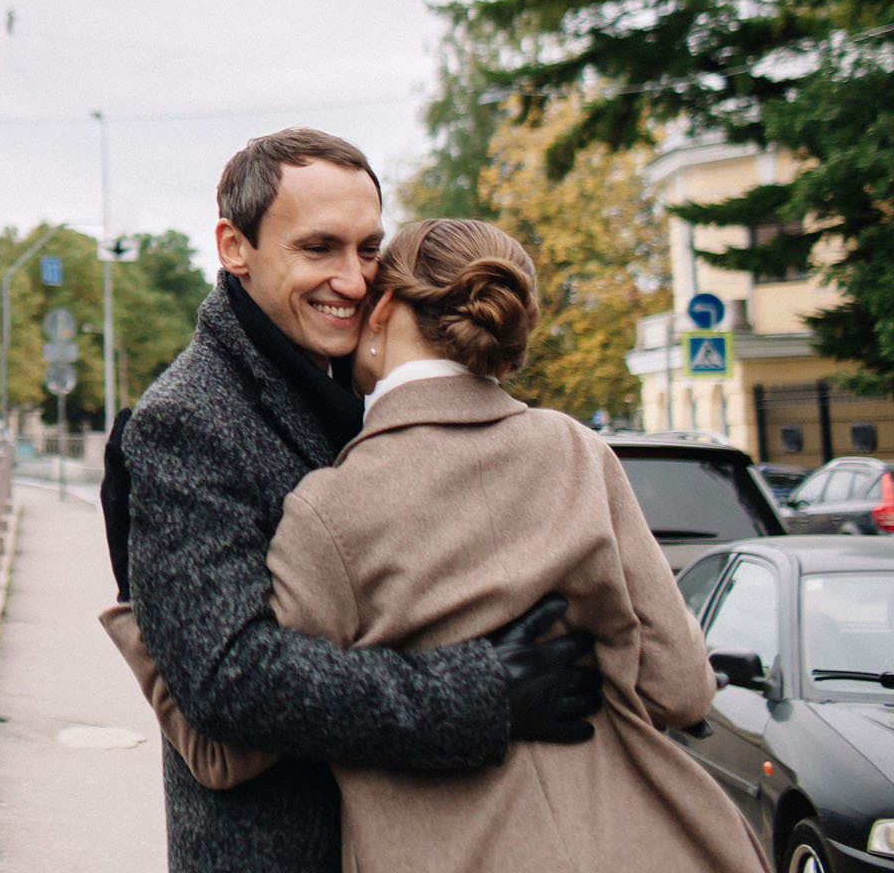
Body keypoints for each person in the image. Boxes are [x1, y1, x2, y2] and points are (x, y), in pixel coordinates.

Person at [114, 218, 766, 872]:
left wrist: (136, 596)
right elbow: (680, 688)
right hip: (621, 844)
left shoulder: (331, 509)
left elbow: (228, 744)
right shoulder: (576, 452)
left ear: (386, 310)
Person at [105, 128, 601, 873]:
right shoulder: (188, 420)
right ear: (235, 247)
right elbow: (228, 678)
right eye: (318, 249)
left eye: (368, 249)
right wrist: (477, 693)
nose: (353, 279)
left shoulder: (364, 380)